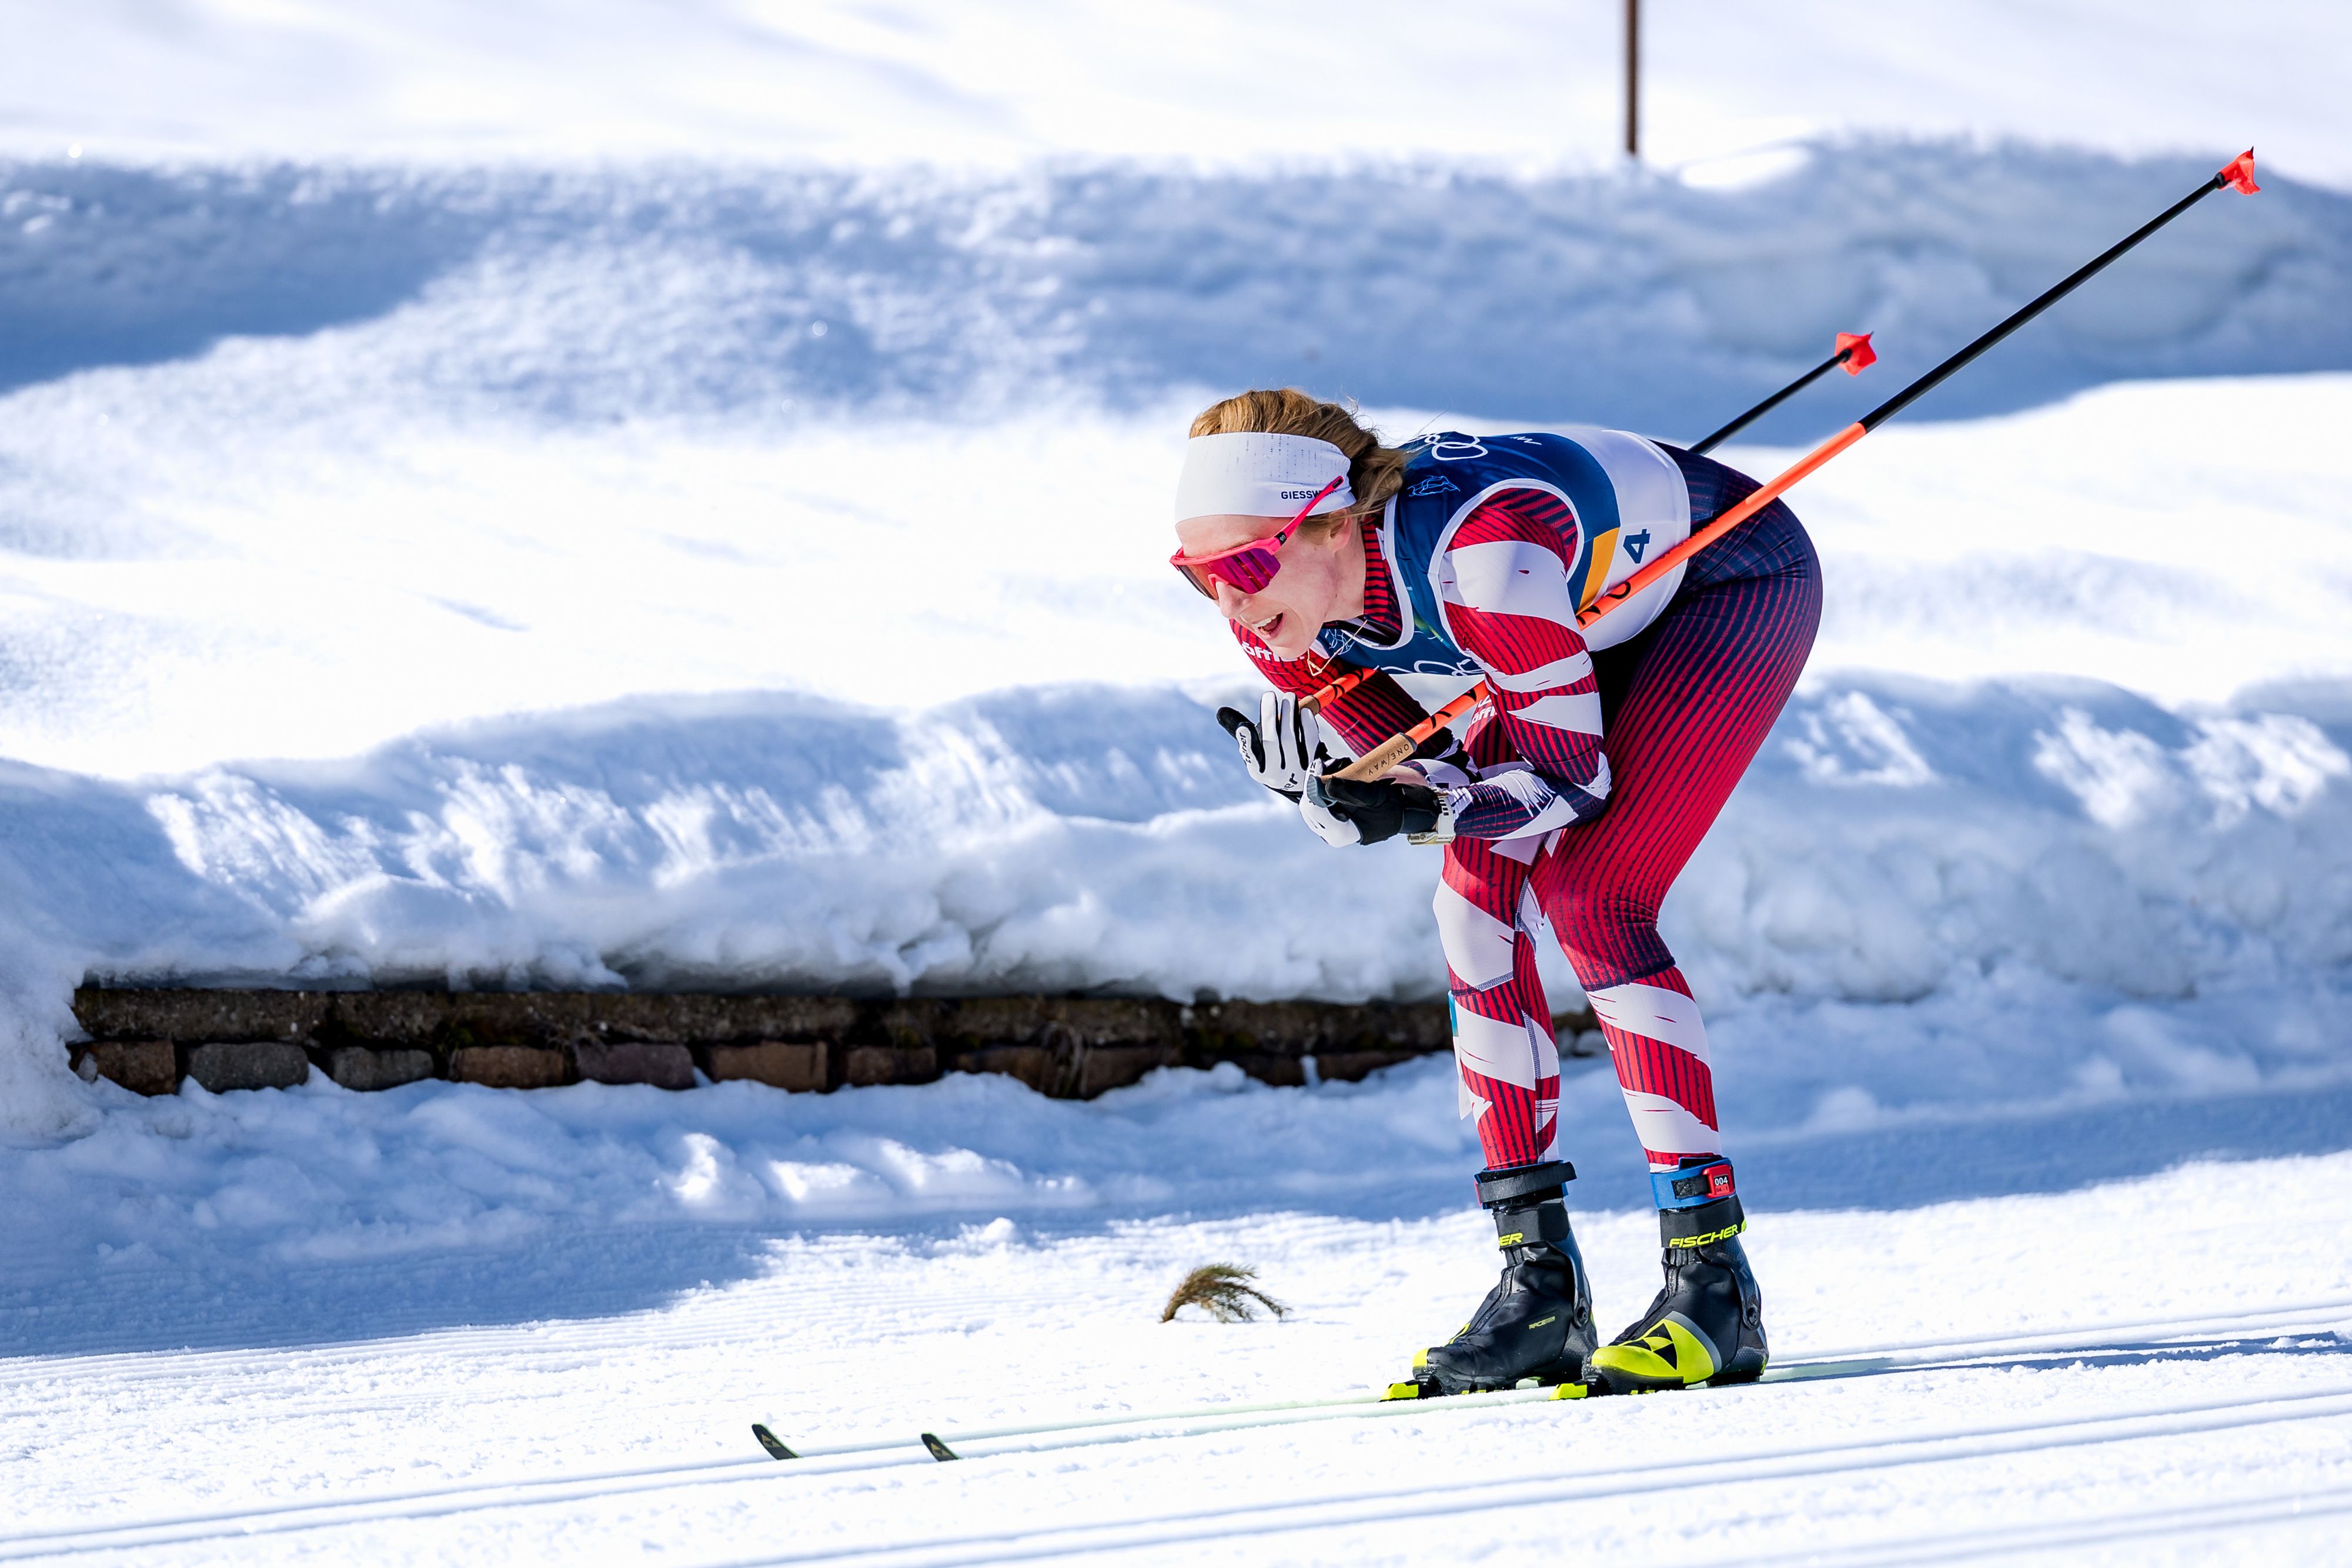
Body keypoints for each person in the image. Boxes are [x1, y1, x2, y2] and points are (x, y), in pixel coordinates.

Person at [1171, 389, 1820, 1396]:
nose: (1231, 603)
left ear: (1333, 523)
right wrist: (1348, 789)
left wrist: (1416, 808)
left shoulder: (1484, 560)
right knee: (1471, 907)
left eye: (1247, 565)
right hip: (1572, 620)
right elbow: (1431, 767)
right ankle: (1538, 1290)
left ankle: (1714, 1286)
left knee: (1596, 898)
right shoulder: (1277, 623)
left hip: (1725, 583)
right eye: (1198, 575)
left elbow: (1567, 782)